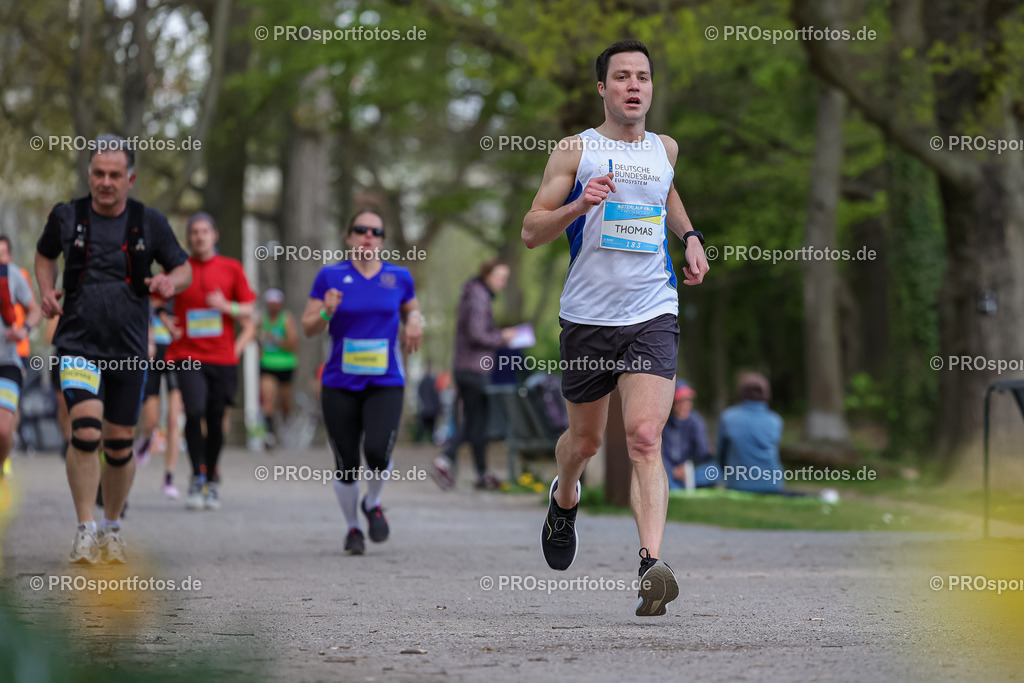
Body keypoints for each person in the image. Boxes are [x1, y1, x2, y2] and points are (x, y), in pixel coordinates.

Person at [522, 40, 709, 616]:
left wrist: (691, 236)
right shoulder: (576, 151)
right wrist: (578, 206)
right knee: (585, 442)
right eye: (621, 77)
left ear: (651, 88)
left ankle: (650, 564)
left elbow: (665, 190)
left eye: (643, 77)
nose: (634, 85)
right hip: (587, 318)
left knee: (645, 438)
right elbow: (531, 230)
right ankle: (565, 494)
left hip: (652, 310)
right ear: (602, 88)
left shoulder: (664, 148)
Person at [35, 134, 191, 564]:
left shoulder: (149, 222)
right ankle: (85, 528)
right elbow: (45, 255)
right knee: (86, 432)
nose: (105, 182)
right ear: (89, 174)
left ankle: (112, 528)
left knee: (120, 445)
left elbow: (183, 268)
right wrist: (46, 291)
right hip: (78, 342)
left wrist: (168, 282)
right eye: (98, 173)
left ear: (130, 178)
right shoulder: (67, 216)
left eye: (115, 175)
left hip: (128, 346)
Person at [302, 209, 423, 555]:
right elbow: (308, 327)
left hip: (386, 381)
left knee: (377, 452)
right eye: (360, 230)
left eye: (375, 231)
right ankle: (353, 528)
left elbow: (412, 309)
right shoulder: (330, 276)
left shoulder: (398, 277)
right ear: (349, 236)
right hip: (339, 382)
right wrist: (326, 311)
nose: (368, 236)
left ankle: (373, 502)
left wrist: (415, 320)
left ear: (382, 240)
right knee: (346, 462)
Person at [165, 213, 256, 511]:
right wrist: (167, 321)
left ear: (215, 235)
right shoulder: (179, 271)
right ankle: (197, 474)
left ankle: (212, 477)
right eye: (194, 232)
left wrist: (225, 306)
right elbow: (155, 302)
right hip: (187, 354)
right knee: (193, 410)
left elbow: (252, 311)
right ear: (188, 237)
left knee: (216, 418)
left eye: (205, 231)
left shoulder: (232, 268)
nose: (199, 237)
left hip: (222, 357)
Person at [431, 258, 516, 490]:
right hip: (473, 369)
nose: (503, 282)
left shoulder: (475, 293)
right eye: (500, 277)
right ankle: (444, 459)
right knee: (473, 421)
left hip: (467, 368)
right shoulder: (479, 296)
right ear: (487, 275)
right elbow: (477, 334)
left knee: (478, 421)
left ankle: (482, 474)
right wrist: (503, 337)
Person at [0, 241, 41, 506]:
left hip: (8, 361)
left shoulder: (12, 274)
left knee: (3, 431)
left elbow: (35, 309)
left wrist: (24, 329)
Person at [135, 294, 184, 498]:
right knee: (151, 422)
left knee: (173, 420)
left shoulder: (185, 294)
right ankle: (146, 441)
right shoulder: (152, 292)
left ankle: (169, 477)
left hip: (177, 359)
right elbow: (143, 309)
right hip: (153, 360)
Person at [718, 372, 785, 494]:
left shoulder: (728, 417)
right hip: (772, 483)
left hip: (738, 483)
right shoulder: (775, 421)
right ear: (767, 394)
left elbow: (721, 455)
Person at [258, 288, 297, 448]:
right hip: (267, 364)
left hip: (286, 365)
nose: (273, 306)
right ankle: (269, 434)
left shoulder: (286, 319)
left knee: (284, 402)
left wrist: (274, 339)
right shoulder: (262, 319)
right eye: (270, 304)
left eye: (276, 304)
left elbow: (293, 344)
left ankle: (286, 425)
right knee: (268, 399)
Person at [661, 380, 716, 489]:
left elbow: (702, 453)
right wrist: (672, 470)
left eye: (688, 401)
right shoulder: (662, 422)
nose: (685, 405)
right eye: (680, 401)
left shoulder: (696, 421)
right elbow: (658, 453)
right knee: (660, 477)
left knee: (713, 471)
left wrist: (687, 468)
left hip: (690, 470)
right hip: (666, 470)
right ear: (672, 403)